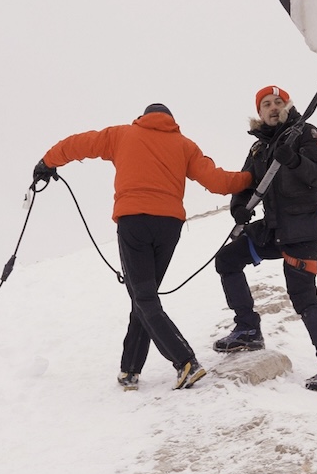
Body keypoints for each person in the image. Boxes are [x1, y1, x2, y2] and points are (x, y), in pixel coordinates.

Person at [34, 104, 250, 391]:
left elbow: (78, 144)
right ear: (171, 121)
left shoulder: (122, 135)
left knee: (144, 297)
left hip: (134, 221)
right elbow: (219, 181)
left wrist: (47, 163)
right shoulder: (184, 146)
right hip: (168, 227)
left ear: (143, 117)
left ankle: (185, 361)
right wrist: (254, 176)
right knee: (143, 297)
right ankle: (130, 370)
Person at [213, 85, 317, 392]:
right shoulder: (259, 147)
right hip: (273, 229)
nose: (273, 107)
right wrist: (238, 204)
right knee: (227, 260)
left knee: (302, 296)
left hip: (303, 229)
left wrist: (294, 160)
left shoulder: (305, 133)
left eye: (278, 102)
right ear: (259, 113)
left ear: (287, 106)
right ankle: (248, 329)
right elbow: (248, 181)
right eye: (266, 104)